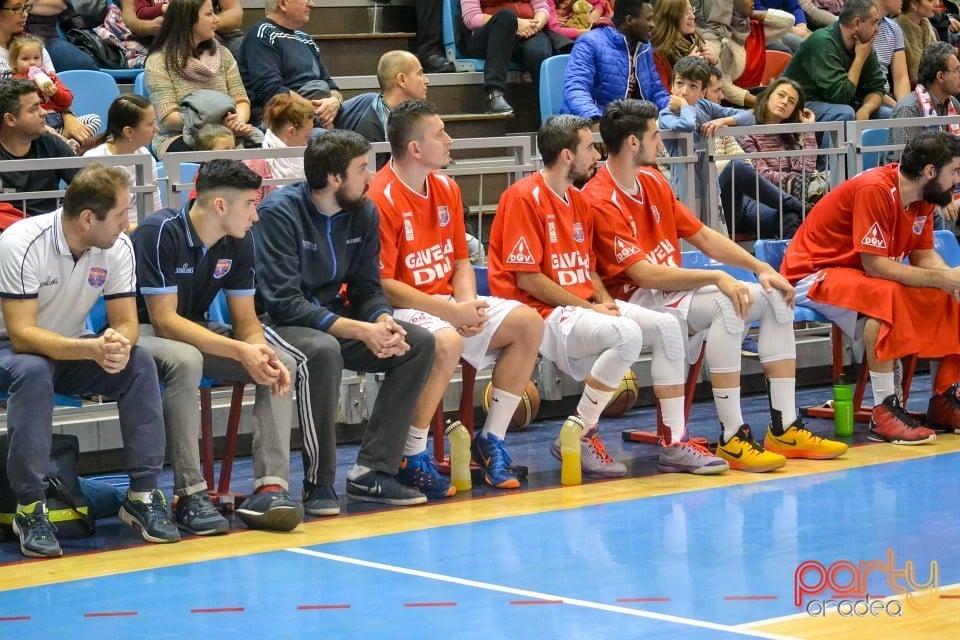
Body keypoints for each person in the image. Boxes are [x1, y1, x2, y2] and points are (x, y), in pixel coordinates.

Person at [591, 99, 848, 471]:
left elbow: (704, 236)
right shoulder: (600, 198)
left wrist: (761, 267)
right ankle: (732, 436)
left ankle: (785, 427)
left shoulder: (650, 180)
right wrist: (716, 276)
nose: (660, 141)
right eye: (654, 134)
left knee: (775, 296)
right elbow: (644, 275)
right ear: (633, 143)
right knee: (726, 304)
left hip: (672, 294)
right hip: (635, 302)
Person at [0, 163, 179, 558]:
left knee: (139, 364)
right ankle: (29, 507)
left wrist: (117, 343)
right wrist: (92, 349)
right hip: (11, 350)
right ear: (87, 219)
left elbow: (127, 322)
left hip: (71, 346)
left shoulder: (117, 246)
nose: (127, 223)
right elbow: (23, 335)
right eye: (120, 214)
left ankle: (143, 495)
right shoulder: (21, 242)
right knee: (32, 371)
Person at [253, 129, 436, 508]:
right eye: (362, 169)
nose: (371, 177)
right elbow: (284, 302)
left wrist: (383, 320)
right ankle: (318, 481)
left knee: (417, 343)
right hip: (274, 322)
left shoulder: (363, 212)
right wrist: (359, 329)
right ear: (334, 179)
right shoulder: (279, 213)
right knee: (323, 351)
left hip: (331, 315)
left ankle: (372, 471)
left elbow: (367, 288)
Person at [368, 100, 544, 494]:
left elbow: (462, 262)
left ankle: (491, 440)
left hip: (447, 303)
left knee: (528, 322)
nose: (450, 140)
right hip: (401, 310)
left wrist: (469, 306)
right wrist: (451, 311)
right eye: (439, 134)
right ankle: (410, 455)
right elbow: (383, 283)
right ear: (415, 149)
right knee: (444, 341)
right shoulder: (380, 197)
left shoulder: (446, 186)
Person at [131, 160, 304, 535]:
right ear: (221, 206)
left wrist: (257, 349)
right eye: (250, 204)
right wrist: (240, 351)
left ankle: (270, 488)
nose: (256, 216)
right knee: (187, 359)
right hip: (140, 330)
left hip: (195, 327)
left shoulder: (239, 240)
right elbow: (165, 321)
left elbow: (245, 322)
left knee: (279, 360)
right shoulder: (159, 231)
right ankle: (190, 494)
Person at [781, 130, 960, 443]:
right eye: (955, 172)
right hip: (812, 273)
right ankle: (884, 410)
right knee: (886, 295)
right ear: (930, 172)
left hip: (857, 274)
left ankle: (944, 398)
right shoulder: (874, 189)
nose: (957, 181)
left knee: (949, 296)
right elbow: (875, 266)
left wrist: (951, 280)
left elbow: (923, 257)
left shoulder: (924, 199)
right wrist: (944, 278)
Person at [487, 114, 639, 478]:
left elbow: (588, 267)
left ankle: (674, 439)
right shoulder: (523, 197)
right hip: (538, 312)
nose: (597, 155)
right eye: (589, 147)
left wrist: (604, 301)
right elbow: (528, 279)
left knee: (663, 326)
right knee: (628, 334)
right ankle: (580, 433)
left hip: (577, 308)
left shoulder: (579, 201)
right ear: (567, 155)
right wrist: (591, 307)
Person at [658, 58, 805, 238]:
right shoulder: (665, 115)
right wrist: (684, 106)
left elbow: (748, 117)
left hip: (722, 195)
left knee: (789, 217)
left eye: (693, 86)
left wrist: (723, 120)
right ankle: (797, 204)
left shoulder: (704, 106)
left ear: (703, 92)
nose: (684, 91)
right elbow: (686, 124)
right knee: (737, 167)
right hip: (693, 198)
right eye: (679, 84)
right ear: (671, 86)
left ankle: (793, 258)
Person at [144, 0, 254, 159]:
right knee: (212, 158)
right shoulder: (158, 61)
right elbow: (168, 118)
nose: (216, 19)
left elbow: (241, 100)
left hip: (227, 132)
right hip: (179, 136)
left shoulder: (224, 54)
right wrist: (213, 125)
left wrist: (236, 122)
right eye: (209, 14)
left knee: (262, 152)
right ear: (187, 19)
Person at [236, 0, 344, 128]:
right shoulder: (262, 34)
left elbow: (331, 86)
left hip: (321, 114)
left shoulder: (306, 39)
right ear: (283, 4)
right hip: (283, 122)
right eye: (305, 0)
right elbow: (273, 93)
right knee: (322, 137)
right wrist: (315, 109)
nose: (312, 4)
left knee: (368, 101)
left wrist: (335, 102)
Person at [1, 0, 95, 145]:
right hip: (14, 126)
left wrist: (68, 116)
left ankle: (70, 146)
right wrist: (42, 127)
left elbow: (56, 87)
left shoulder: (32, 46)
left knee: (90, 122)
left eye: (25, 8)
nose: (24, 14)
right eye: (16, 9)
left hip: (49, 118)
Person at [562, 0, 671, 122]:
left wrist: (673, 109)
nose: (653, 25)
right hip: (594, 123)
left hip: (632, 125)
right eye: (649, 19)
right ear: (630, 20)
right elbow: (575, 88)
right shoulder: (589, 42)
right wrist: (595, 119)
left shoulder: (644, 46)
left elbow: (655, 90)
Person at [783, 0, 887, 122]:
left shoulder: (864, 45)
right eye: (874, 23)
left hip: (840, 102)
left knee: (887, 114)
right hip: (802, 103)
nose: (877, 29)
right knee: (844, 113)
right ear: (857, 23)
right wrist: (859, 59)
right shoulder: (822, 42)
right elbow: (840, 96)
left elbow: (877, 89)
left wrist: (865, 110)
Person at [738, 78, 827, 206]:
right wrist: (795, 179)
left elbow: (806, 171)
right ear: (768, 97)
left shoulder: (791, 134)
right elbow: (763, 176)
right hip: (760, 198)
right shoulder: (746, 129)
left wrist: (809, 129)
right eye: (781, 95)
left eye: (791, 101)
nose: (785, 102)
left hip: (792, 194)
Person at [692, 0, 795, 108]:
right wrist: (763, 104)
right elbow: (725, 89)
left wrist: (748, 13)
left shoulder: (752, 29)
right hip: (734, 105)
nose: (753, 0)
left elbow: (788, 21)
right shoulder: (714, 40)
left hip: (757, 95)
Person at [459, 0, 556, 114]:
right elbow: (471, 18)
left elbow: (541, 7)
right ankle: (494, 94)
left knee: (539, 52)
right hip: (490, 35)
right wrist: (516, 23)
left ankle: (547, 116)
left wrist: (534, 26)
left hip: (528, 31)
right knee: (506, 16)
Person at [0, 78, 77, 216]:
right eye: (34, 109)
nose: (44, 112)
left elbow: (85, 180)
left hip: (51, 228)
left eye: (41, 106)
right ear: (10, 119)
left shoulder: (50, 143)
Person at [83, 93, 162, 227]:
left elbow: (155, 208)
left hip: (142, 232)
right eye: (150, 124)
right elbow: (94, 220)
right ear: (129, 132)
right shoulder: (94, 161)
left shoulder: (146, 157)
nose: (156, 129)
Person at [7, 34, 100, 146]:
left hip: (60, 120)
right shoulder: (15, 81)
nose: (32, 62)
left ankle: (73, 144)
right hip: (39, 125)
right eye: (25, 59)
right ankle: (65, 145)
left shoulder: (51, 77)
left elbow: (68, 101)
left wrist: (55, 92)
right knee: (38, 131)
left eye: (36, 58)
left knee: (94, 119)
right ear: (14, 64)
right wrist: (33, 84)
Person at [243, 93, 313, 207]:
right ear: (291, 132)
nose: (307, 141)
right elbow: (250, 212)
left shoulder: (307, 160)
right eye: (306, 135)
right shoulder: (255, 164)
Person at [354, 50, 430, 145]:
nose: (427, 80)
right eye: (419, 74)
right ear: (402, 80)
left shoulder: (423, 117)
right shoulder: (370, 129)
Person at [123, 0, 244, 59]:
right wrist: (150, 27)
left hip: (211, 31)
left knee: (243, 49)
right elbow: (130, 17)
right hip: (158, 36)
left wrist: (203, 24)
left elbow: (234, 13)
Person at [650, 0, 718, 92]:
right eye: (686, 13)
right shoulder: (658, 54)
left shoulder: (697, 40)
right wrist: (686, 69)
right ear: (671, 16)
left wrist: (714, 62)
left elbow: (710, 86)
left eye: (692, 10)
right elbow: (663, 94)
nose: (692, 17)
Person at [25, 0, 98, 71]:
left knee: (83, 64)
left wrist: (21, 7)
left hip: (46, 38)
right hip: (15, 35)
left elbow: (60, 5)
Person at [873, 0, 911, 115]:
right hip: (863, 97)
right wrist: (897, 108)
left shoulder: (894, 28)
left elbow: (901, 78)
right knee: (892, 115)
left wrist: (903, 106)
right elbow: (863, 83)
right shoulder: (855, 24)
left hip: (885, 98)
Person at [897, 0, 938, 85]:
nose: (936, 3)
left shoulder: (931, 30)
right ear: (914, 4)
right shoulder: (896, 30)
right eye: (930, 0)